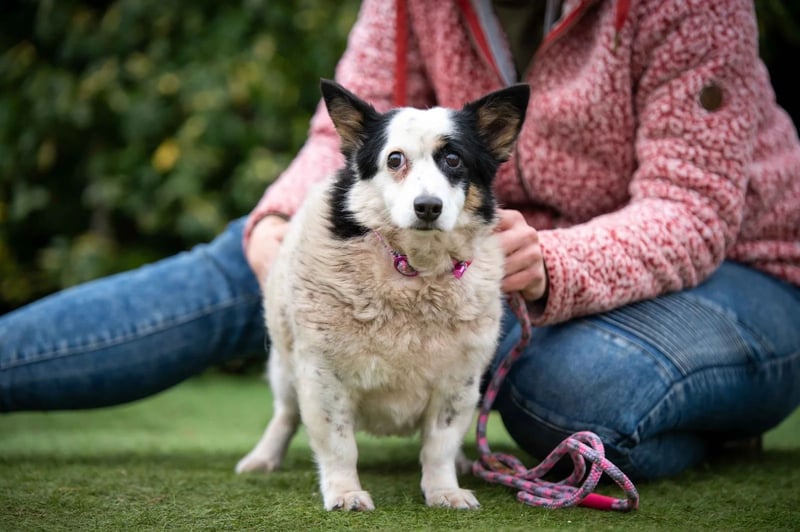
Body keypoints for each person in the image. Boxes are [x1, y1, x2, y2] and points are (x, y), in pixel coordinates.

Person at [2, 0, 799, 481]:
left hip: (735, 273)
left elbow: (692, 210)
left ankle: (716, 412)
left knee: (569, 394)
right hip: (446, 247)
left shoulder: (693, 7)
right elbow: (343, 136)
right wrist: (279, 225)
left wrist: (556, 262)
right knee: (247, 264)